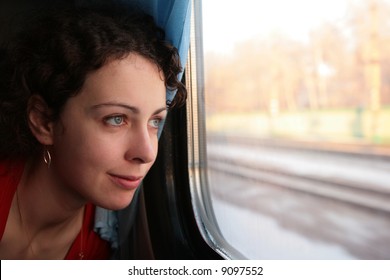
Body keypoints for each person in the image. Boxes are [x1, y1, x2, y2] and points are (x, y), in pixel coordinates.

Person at [0, 6, 186, 260]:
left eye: (155, 121)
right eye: (116, 119)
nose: (147, 152)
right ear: (44, 121)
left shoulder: (103, 237)